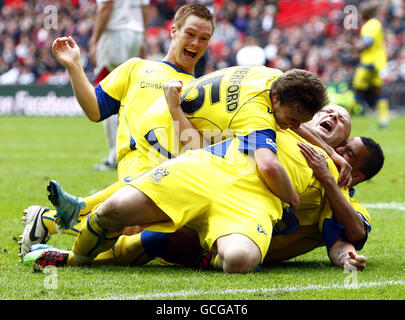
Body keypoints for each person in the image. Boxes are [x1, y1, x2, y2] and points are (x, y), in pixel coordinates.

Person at [23, 66, 330, 273]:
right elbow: (267, 164)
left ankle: (73, 219)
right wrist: (294, 200)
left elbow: (352, 226)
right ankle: (67, 224)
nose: (298, 127)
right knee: (127, 214)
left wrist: (332, 159)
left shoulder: (275, 82)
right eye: (296, 119)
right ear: (276, 98)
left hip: (225, 174)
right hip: (181, 137)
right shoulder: (259, 117)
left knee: (160, 231)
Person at [26, 107, 383, 273]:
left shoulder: (331, 195)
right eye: (330, 114)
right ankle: (66, 226)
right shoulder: (275, 119)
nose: (342, 145)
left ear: (357, 174)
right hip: (208, 177)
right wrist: (175, 108)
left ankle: (68, 240)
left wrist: (344, 256)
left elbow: (346, 235)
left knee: (150, 241)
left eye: (348, 148)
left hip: (238, 223)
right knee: (132, 207)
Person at [18, 2, 216, 260]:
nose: (196, 43)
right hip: (138, 173)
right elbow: (95, 110)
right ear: (173, 31)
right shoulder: (135, 68)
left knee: (155, 244)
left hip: (170, 180)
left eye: (204, 38)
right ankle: (60, 225)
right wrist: (74, 66)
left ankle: (52, 225)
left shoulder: (202, 89)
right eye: (190, 34)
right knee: (150, 238)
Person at [90, 0, 150, 170]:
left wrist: (94, 39)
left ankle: (115, 155)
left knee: (107, 91)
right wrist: (141, 37)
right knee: (129, 94)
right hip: (135, 32)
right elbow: (145, 8)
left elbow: (106, 5)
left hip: (114, 33)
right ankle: (131, 149)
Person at [351, 0, 389, 128]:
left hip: (368, 64)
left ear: (368, 12)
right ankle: (384, 120)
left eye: (362, 11)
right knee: (377, 91)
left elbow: (367, 43)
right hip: (377, 63)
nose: (360, 14)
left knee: (357, 88)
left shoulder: (371, 25)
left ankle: (347, 116)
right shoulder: (375, 24)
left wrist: (350, 47)